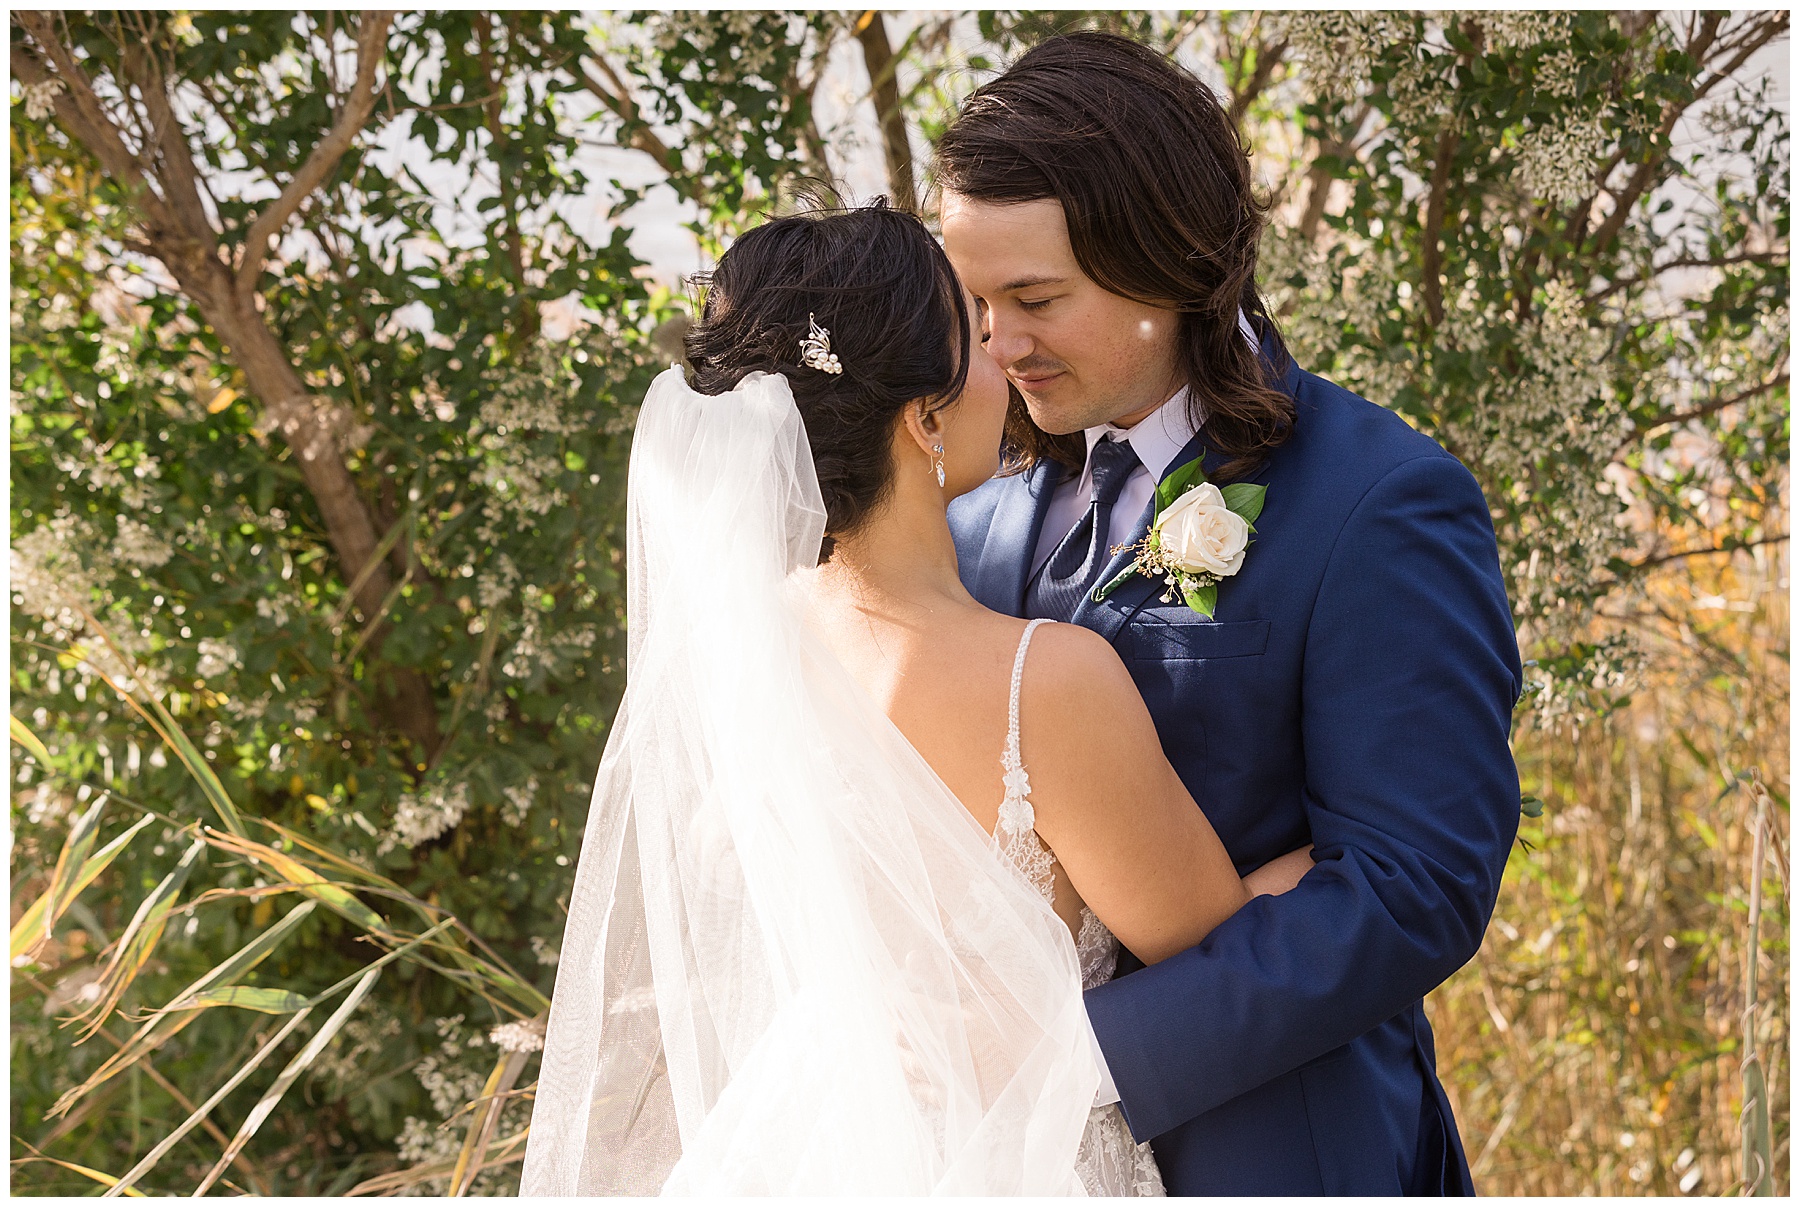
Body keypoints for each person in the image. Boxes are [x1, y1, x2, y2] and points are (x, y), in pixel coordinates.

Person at [519, 201, 1312, 1195]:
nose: (1004, 354)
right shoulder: (1042, 684)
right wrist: (1357, 846)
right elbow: (1216, 945)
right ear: (924, 418)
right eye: (973, 332)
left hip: (806, 1147)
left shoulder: (749, 655)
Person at [935, 31, 1524, 1196]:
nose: (999, 344)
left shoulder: (1380, 500)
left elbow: (1418, 882)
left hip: (1282, 1155)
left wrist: (1088, 1055)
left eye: (1035, 298)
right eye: (977, 301)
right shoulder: (972, 522)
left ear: (1170, 262)